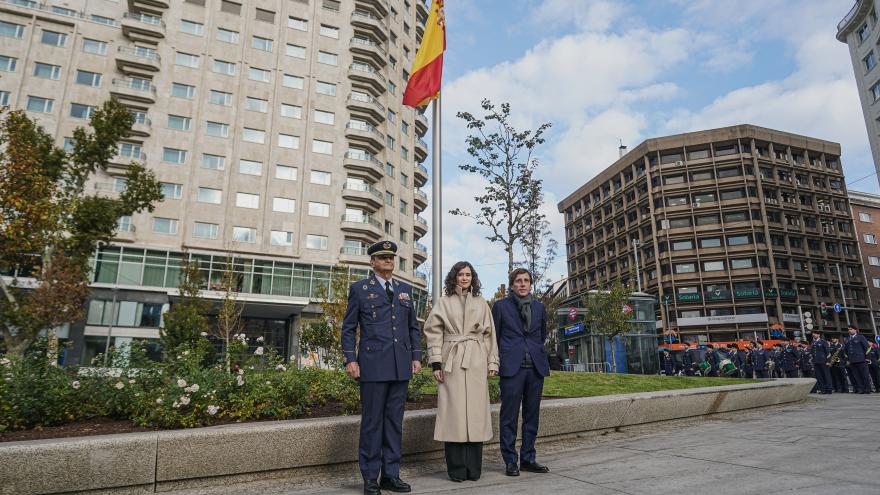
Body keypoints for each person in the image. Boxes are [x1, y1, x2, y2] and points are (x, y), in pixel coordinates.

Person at [341, 241, 422, 495]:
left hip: (400, 366)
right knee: (372, 423)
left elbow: (412, 327)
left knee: (394, 423)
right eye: (383, 257)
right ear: (372, 262)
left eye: (391, 257)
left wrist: (416, 356)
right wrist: (350, 359)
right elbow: (348, 327)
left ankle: (391, 475)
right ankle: (370, 478)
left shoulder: (404, 290)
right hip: (373, 365)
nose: (388, 261)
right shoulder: (360, 289)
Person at [423, 261, 499, 482]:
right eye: (460, 274)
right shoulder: (444, 303)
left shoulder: (482, 303)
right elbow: (433, 332)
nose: (464, 278)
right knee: (453, 414)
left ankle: (473, 469)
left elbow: (490, 335)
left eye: (468, 274)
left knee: (475, 415)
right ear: (454, 277)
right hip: (452, 360)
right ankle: (456, 469)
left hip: (476, 360)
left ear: (472, 277)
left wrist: (492, 363)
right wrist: (436, 363)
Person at [492, 268, 550, 477]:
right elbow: (495, 337)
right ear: (512, 285)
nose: (523, 284)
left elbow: (541, 334)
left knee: (531, 415)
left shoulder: (540, 307)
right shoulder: (500, 306)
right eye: (518, 281)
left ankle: (528, 458)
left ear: (530, 284)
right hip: (511, 367)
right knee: (509, 416)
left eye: (526, 280)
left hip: (535, 367)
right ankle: (510, 460)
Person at [843, 325, 872, 394]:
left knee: (865, 375)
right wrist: (847, 359)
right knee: (857, 376)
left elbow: (867, 348)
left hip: (861, 359)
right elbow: (845, 351)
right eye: (848, 329)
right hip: (852, 361)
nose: (849, 330)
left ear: (855, 330)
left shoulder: (861, 337)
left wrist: (867, 358)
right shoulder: (847, 339)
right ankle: (861, 389)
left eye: (851, 329)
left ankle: (867, 389)